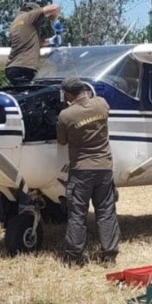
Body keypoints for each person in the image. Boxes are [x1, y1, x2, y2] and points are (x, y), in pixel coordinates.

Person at [57, 76, 120, 266]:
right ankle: (109, 255)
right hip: (104, 168)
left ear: (67, 94)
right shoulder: (101, 104)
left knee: (77, 214)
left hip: (81, 170)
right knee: (106, 212)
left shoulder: (66, 116)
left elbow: (62, 141)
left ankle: (74, 257)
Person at [4, 1, 61, 86]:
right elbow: (55, 7)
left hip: (13, 67)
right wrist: (54, 20)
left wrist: (50, 41)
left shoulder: (15, 23)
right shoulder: (30, 16)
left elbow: (29, 43)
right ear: (31, 10)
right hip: (23, 68)